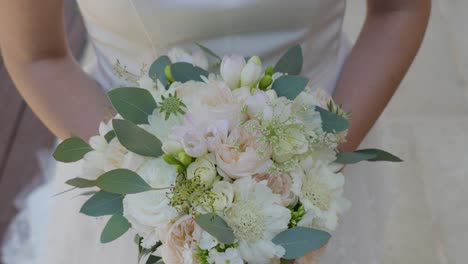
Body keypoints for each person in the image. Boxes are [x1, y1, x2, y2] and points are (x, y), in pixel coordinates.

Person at [0, 0, 430, 263]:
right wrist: (153, 193)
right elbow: (38, 55)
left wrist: (306, 174)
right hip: (144, 193)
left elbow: (400, 9)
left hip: (320, 153)